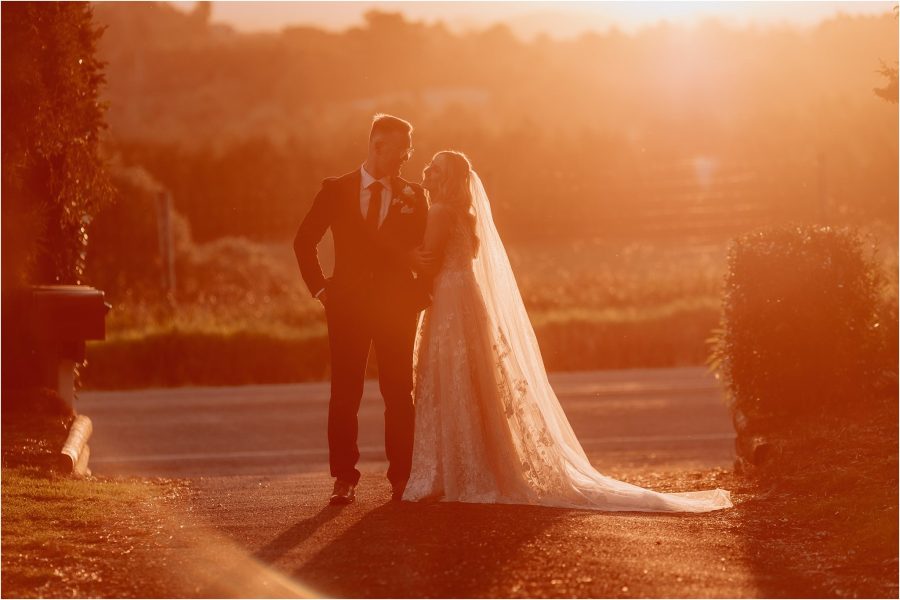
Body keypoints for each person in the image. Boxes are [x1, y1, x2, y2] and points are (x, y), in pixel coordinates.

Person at [403, 150, 732, 512]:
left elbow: (429, 260)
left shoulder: (439, 212)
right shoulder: (465, 215)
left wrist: (403, 257)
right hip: (469, 298)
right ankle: (479, 465)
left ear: (447, 178)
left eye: (435, 168)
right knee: (474, 381)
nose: (427, 171)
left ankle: (458, 471)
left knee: (453, 378)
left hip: (450, 298)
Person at [293, 114, 429, 504]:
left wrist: (419, 298)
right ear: (377, 146)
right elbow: (304, 241)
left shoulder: (415, 196)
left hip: (397, 310)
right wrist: (322, 290)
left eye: (409, 151)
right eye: (401, 151)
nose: (406, 158)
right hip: (347, 308)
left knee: (399, 394)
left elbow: (426, 252)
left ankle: (401, 478)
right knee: (345, 395)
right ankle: (344, 479)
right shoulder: (336, 190)